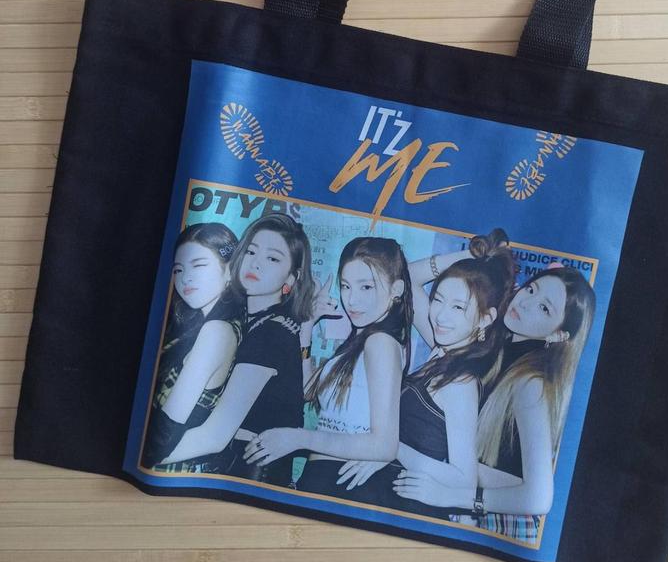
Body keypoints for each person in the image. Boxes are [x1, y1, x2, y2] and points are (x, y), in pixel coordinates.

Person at [392, 262, 596, 541]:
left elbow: (538, 497)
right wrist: (477, 251)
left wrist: (453, 493)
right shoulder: (485, 344)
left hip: (493, 522)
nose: (525, 303)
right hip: (449, 495)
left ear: (558, 334)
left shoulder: (530, 383)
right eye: (531, 289)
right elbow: (408, 279)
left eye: (544, 308)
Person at [335, 229, 516, 519]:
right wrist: (476, 257)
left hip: (409, 510)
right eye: (438, 300)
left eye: (458, 307)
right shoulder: (441, 349)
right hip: (387, 499)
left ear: (485, 319)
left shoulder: (461, 382)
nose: (441, 315)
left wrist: (390, 449)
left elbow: (463, 479)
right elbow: (407, 277)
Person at [242, 236, 413, 499]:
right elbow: (308, 391)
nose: (352, 300)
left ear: (396, 289)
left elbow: (384, 445)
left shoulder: (380, 342)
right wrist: (308, 327)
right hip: (325, 477)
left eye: (366, 287)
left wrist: (298, 438)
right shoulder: (361, 338)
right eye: (345, 286)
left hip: (345, 482)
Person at [159, 212, 316, 486]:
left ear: (292, 277)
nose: (256, 263)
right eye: (251, 252)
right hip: (236, 472)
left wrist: (145, 455)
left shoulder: (271, 332)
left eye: (273, 258)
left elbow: (214, 436)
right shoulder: (251, 321)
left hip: (250, 477)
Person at [141, 222, 242, 472]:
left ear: (230, 270)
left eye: (198, 265)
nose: (185, 278)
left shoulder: (217, 331)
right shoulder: (204, 326)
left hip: (170, 472)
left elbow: (163, 434)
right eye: (178, 269)